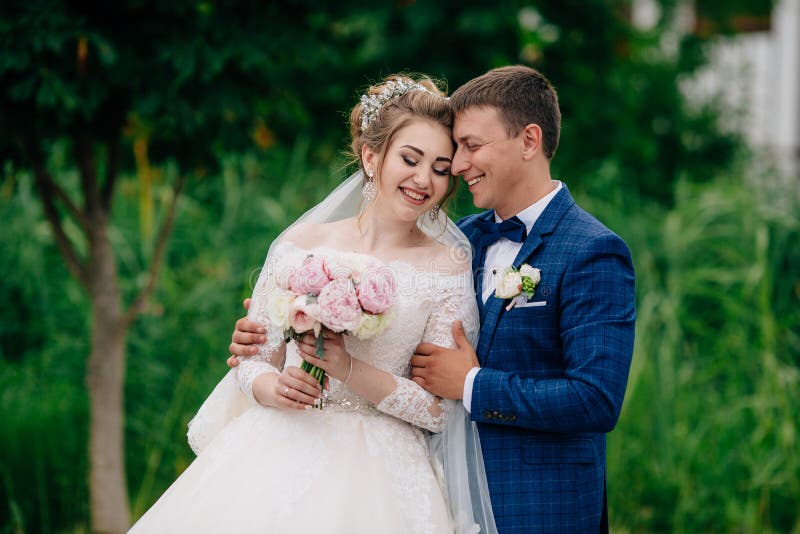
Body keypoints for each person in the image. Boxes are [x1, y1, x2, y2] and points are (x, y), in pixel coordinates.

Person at [231, 65, 636, 533]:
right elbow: (264, 351)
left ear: (528, 141)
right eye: (454, 152)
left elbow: (596, 399)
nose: (458, 168)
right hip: (422, 489)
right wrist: (276, 329)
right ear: (370, 157)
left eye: (467, 150)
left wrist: (470, 384)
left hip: (538, 504)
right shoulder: (464, 243)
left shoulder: (592, 250)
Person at [129, 75, 497, 533]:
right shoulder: (300, 246)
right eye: (410, 159)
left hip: (383, 480)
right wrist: (271, 387)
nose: (424, 179)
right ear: (370, 156)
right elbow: (251, 361)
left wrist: (347, 368)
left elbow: (438, 412)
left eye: (441, 168)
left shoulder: (447, 267)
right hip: (276, 453)